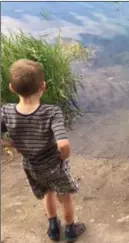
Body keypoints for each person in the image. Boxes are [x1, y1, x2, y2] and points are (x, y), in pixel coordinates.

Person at [0, 59, 85, 242]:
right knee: (66, 197)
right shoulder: (51, 112)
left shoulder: (6, 111)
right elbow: (63, 144)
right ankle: (71, 229)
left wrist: (13, 144)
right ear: (43, 86)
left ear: (12, 88)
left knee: (47, 192)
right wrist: (63, 158)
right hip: (54, 165)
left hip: (31, 166)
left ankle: (53, 228)